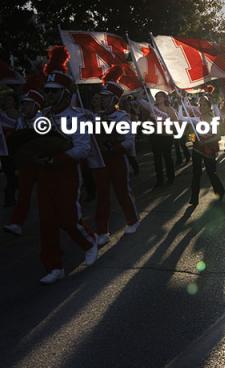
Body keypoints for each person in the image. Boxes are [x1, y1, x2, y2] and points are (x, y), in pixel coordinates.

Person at [37, 64, 97, 284]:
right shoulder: (41, 116)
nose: (49, 95)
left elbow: (83, 148)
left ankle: (89, 243)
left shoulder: (78, 117)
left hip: (67, 172)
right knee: (46, 222)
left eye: (54, 91)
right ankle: (54, 266)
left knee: (68, 218)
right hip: (44, 173)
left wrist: (57, 158)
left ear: (65, 93)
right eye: (47, 91)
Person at [93, 80, 140, 247]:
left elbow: (128, 140)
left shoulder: (121, 117)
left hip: (116, 158)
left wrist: (113, 146)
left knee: (122, 191)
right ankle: (101, 231)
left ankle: (132, 220)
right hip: (100, 160)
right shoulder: (95, 117)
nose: (103, 100)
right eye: (102, 97)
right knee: (102, 195)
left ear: (114, 100)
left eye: (106, 98)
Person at [3, 90, 44, 236]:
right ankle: (17, 223)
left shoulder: (43, 120)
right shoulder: (21, 120)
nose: (23, 107)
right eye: (23, 104)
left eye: (27, 104)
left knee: (46, 194)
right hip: (27, 164)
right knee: (24, 194)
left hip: (42, 164)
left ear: (35, 106)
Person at [179, 95, 225, 207]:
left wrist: (205, 142)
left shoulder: (214, 119)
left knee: (211, 172)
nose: (202, 107)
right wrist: (180, 104)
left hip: (210, 149)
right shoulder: (196, 119)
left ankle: (220, 191)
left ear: (209, 107)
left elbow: (218, 136)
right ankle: (194, 198)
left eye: (204, 105)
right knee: (196, 174)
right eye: (200, 105)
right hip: (197, 149)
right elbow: (180, 118)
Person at [150, 91, 177, 188]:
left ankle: (171, 178)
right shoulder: (153, 109)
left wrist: (165, 123)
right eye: (156, 96)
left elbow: (175, 122)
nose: (157, 98)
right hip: (155, 136)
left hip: (166, 136)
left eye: (159, 96)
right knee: (157, 159)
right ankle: (159, 180)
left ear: (165, 98)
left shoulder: (170, 109)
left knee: (167, 157)